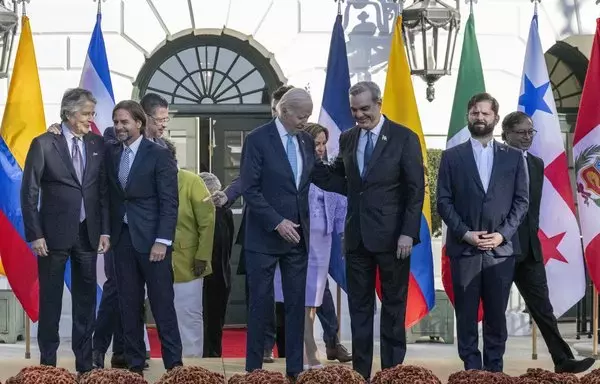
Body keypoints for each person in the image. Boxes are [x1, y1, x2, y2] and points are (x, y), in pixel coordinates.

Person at [312, 81, 425, 380]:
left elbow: (416, 191)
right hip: (357, 238)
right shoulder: (349, 138)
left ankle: (392, 372)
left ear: (379, 103)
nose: (359, 115)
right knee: (359, 309)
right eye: (354, 110)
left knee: (393, 307)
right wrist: (309, 161)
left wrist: (407, 233)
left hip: (393, 239)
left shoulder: (404, 138)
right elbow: (340, 178)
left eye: (364, 109)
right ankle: (360, 373)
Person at [436, 93, 529, 372]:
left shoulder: (513, 157)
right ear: (468, 116)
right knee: (466, 316)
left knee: (495, 317)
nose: (480, 117)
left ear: (495, 118)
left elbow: (521, 201)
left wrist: (502, 235)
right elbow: (443, 200)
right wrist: (465, 233)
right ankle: (472, 372)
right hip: (464, 250)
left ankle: (494, 372)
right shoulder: (452, 156)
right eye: (475, 112)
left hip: (500, 251)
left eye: (485, 113)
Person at [20, 88, 110, 374]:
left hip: (88, 235)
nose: (90, 119)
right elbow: (29, 192)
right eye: (86, 114)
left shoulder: (98, 143)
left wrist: (105, 232)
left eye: (92, 113)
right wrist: (35, 234)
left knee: (86, 303)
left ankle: (85, 366)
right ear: (69, 114)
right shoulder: (44, 143)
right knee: (51, 302)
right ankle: (48, 366)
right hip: (51, 237)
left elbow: (103, 191)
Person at [502, 111, 595, 374]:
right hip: (502, 248)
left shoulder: (536, 163)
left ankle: (563, 360)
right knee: (495, 311)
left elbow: (532, 209)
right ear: (505, 134)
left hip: (530, 250)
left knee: (543, 308)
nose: (527, 137)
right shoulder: (497, 161)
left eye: (531, 132)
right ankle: (490, 367)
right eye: (521, 132)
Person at [212, 84, 293, 363]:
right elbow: (246, 177)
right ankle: (262, 347)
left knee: (298, 294)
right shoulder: (260, 138)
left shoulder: (304, 138)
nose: (275, 113)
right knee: (259, 294)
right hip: (259, 228)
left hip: (295, 228)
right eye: (274, 108)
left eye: (280, 109)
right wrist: (228, 194)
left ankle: (301, 348)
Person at [240, 88, 315, 382]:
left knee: (296, 306)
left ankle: (295, 370)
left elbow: (310, 181)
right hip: (264, 238)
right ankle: (254, 370)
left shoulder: (307, 141)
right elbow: (250, 189)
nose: (305, 122)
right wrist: (276, 222)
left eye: (308, 116)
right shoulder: (258, 140)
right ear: (284, 112)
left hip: (297, 237)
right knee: (260, 304)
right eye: (301, 116)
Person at [105, 100, 182, 375]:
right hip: (122, 240)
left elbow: (169, 201)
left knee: (162, 305)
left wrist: (163, 240)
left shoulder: (159, 154)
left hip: (153, 243)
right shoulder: (112, 152)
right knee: (128, 304)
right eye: (116, 122)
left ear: (139, 123)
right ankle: (135, 366)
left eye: (124, 122)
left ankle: (175, 367)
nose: (119, 127)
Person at [274, 123, 348, 369]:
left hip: (322, 245)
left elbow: (340, 209)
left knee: (313, 302)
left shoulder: (327, 172)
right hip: (298, 242)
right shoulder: (295, 170)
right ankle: (308, 351)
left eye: (323, 143)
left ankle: (310, 348)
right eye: (315, 143)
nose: (320, 148)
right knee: (299, 300)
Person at [162, 138, 215, 357]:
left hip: (188, 262)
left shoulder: (192, 181)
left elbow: (207, 220)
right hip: (152, 261)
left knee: (188, 316)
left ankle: (193, 367)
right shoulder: (147, 180)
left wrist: (202, 256)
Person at [201, 172, 235, 358]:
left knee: (215, 319)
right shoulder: (196, 211)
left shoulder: (225, 212)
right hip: (202, 274)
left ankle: (213, 353)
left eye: (216, 193)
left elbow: (227, 244)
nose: (213, 197)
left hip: (220, 273)